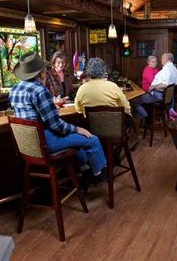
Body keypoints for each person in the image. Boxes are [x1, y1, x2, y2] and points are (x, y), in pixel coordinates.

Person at [9, 53, 107, 185]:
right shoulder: (39, 90)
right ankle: (99, 175)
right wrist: (78, 129)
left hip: (28, 146)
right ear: (41, 73)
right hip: (46, 142)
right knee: (92, 139)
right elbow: (56, 125)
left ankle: (86, 169)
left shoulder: (14, 90)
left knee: (76, 141)